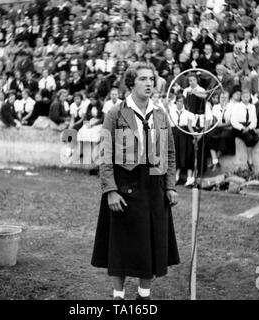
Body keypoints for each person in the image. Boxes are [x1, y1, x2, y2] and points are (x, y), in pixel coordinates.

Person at [91, 62, 179, 300]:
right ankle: (118, 295)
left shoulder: (160, 114)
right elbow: (105, 153)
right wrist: (110, 190)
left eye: (151, 78)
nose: (149, 83)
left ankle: (144, 294)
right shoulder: (116, 113)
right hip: (124, 185)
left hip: (154, 186)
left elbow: (169, 153)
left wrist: (169, 186)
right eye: (143, 79)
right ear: (131, 83)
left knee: (151, 240)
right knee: (120, 243)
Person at [206, 91, 236, 171]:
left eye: (225, 97)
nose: (223, 99)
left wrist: (221, 125)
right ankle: (215, 160)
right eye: (221, 97)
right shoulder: (215, 107)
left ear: (228, 98)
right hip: (218, 128)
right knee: (209, 136)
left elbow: (231, 122)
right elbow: (214, 119)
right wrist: (217, 125)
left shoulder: (232, 106)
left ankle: (214, 162)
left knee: (224, 137)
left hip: (228, 128)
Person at [231, 89, 258, 170]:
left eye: (247, 97)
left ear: (250, 97)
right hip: (239, 127)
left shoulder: (252, 106)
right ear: (241, 97)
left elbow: (254, 120)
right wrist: (242, 127)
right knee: (249, 138)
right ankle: (249, 160)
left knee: (256, 137)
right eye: (244, 97)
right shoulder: (237, 106)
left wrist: (249, 127)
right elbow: (233, 120)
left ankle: (249, 159)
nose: (246, 98)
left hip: (249, 126)